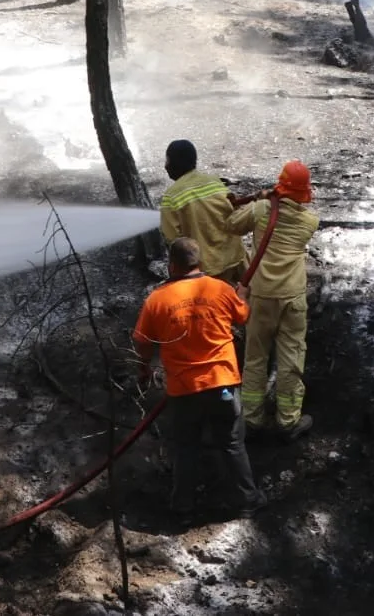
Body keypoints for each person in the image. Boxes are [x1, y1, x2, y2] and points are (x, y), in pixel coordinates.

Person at [132, 238, 265, 519]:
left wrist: (144, 367)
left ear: (171, 266)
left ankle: (183, 508)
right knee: (231, 443)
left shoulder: (157, 300)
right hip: (223, 385)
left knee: (185, 447)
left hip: (184, 390)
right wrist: (241, 295)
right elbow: (242, 316)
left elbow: (141, 340)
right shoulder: (220, 289)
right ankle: (246, 502)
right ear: (199, 263)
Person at [226, 160, 320, 440]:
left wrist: (260, 199)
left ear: (280, 185)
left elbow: (232, 225)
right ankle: (288, 421)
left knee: (255, 358)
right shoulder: (309, 222)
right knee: (291, 359)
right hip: (292, 298)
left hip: (262, 296)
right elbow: (291, 214)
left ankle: (252, 419)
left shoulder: (261, 210)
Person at [159, 140, 247, 282]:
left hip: (208, 269)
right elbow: (235, 211)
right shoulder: (214, 181)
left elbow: (173, 239)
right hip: (235, 257)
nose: (165, 166)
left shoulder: (171, 197)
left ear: (175, 163)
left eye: (167, 161)